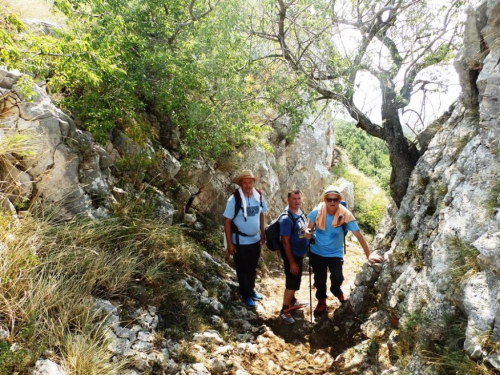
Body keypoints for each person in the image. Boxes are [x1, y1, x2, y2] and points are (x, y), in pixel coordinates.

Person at [305, 185, 383, 314]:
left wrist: (368, 255)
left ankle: (336, 290)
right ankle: (321, 301)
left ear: (339, 199)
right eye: (329, 199)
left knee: (337, 277)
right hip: (317, 251)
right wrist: (307, 233)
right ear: (324, 200)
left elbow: (358, 235)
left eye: (335, 199)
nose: (332, 202)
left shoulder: (345, 214)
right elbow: (309, 229)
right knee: (319, 279)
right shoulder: (317, 212)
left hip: (335, 252)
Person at [223, 170, 267, 308]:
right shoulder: (234, 199)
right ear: (240, 184)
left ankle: (251, 289)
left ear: (254, 183)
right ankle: (246, 295)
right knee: (242, 268)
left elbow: (261, 214)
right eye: (245, 182)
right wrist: (230, 243)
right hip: (239, 241)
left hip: (255, 239)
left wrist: (263, 232)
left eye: (250, 182)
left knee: (252, 267)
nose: (247, 185)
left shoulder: (258, 196)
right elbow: (227, 221)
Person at [278, 190, 310, 325]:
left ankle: (292, 301)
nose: (297, 201)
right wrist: (291, 262)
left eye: (299, 198)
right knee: (292, 282)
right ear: (288, 200)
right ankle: (284, 311)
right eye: (294, 199)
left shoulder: (299, 212)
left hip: (299, 253)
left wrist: (307, 234)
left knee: (295, 279)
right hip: (292, 255)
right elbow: (285, 241)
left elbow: (301, 229)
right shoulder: (286, 218)